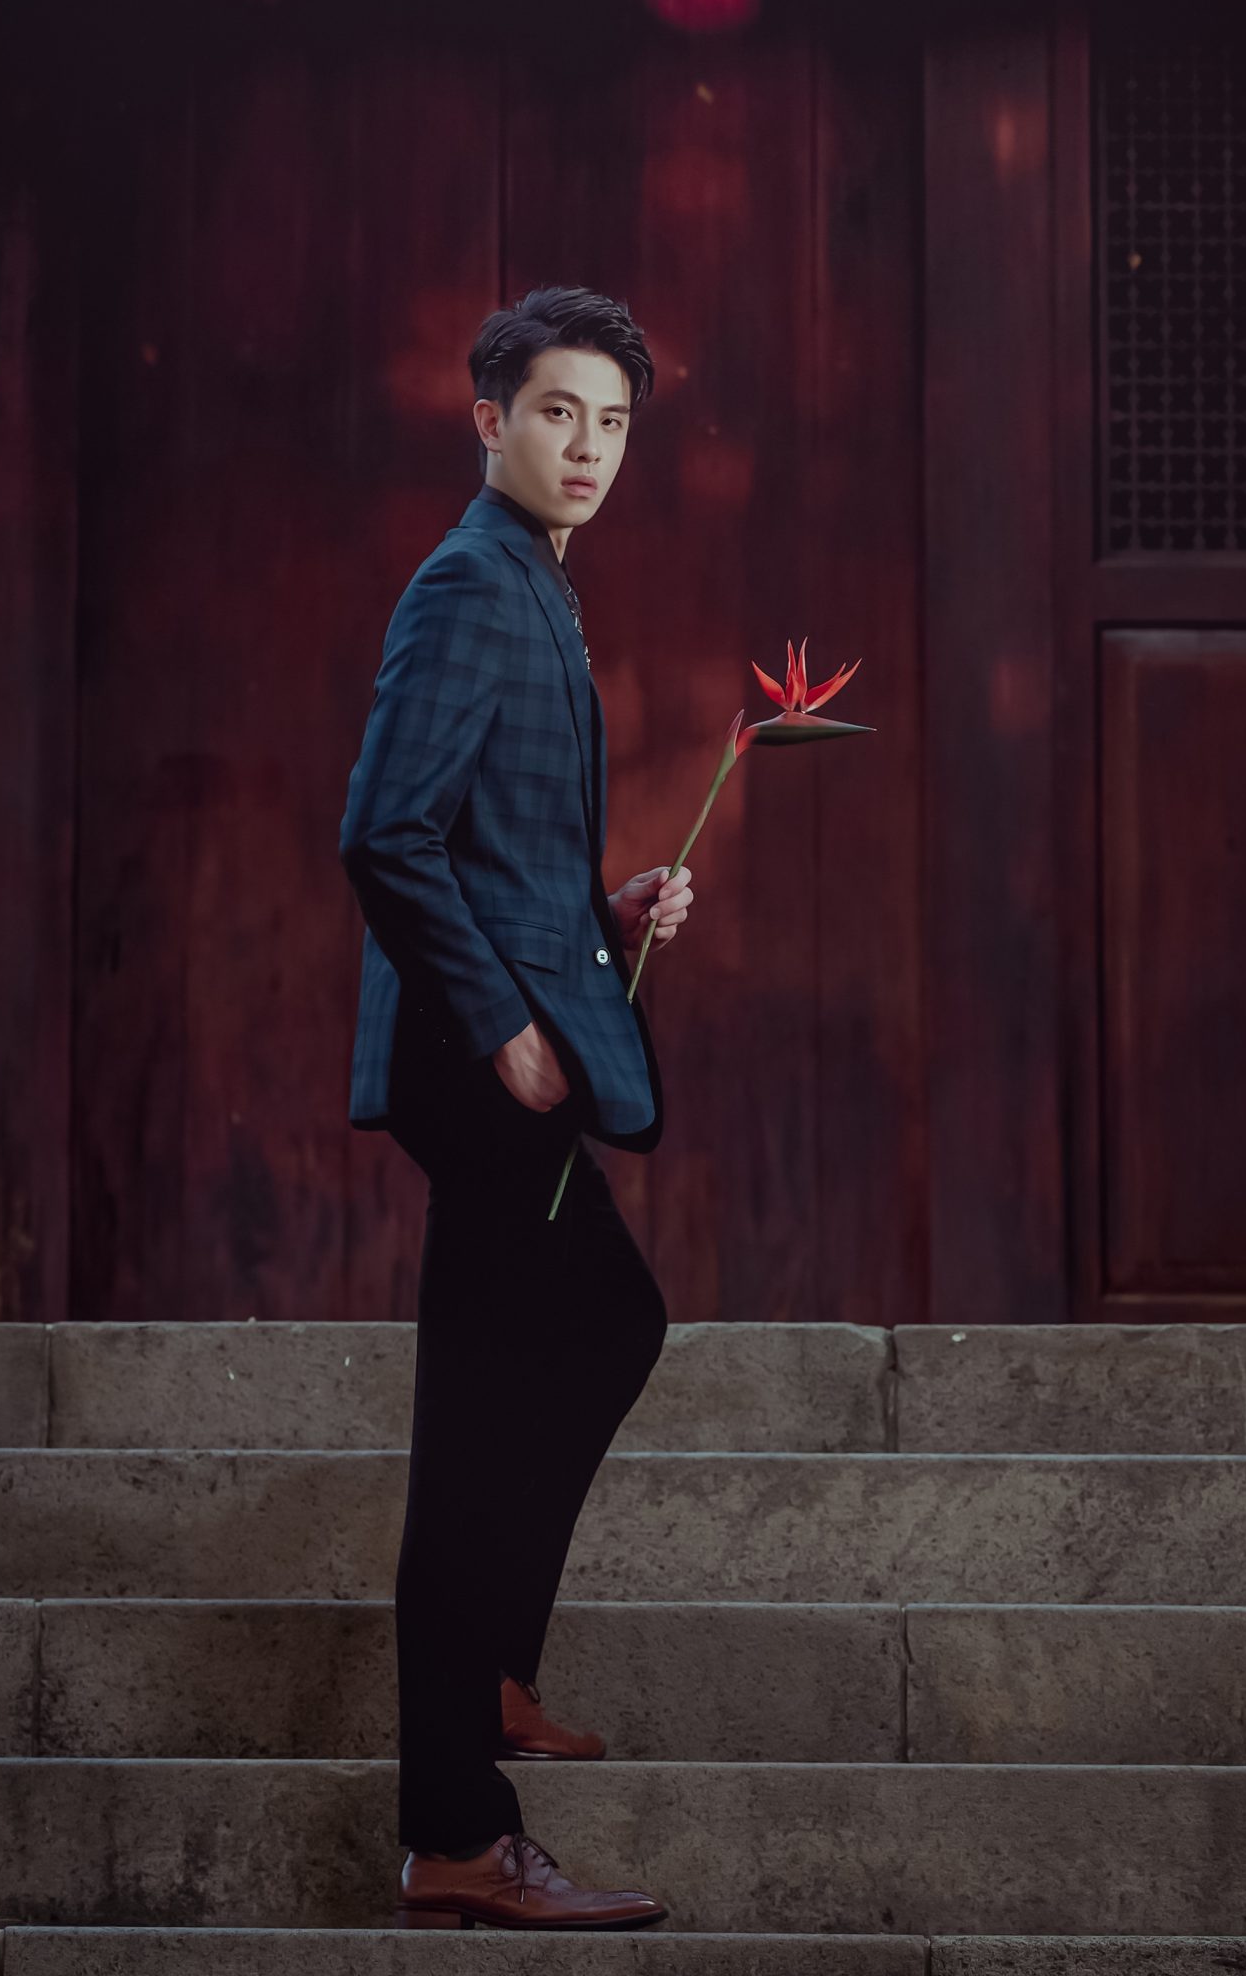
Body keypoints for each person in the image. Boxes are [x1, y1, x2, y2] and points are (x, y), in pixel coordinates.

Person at [339, 285, 695, 1932]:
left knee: (601, 1330)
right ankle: (457, 1831)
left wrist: (600, 912)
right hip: (484, 1069)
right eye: (559, 413)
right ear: (490, 421)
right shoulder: (473, 582)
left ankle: (487, 1673)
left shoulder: (534, 581)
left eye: (612, 422)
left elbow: (489, 846)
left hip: (518, 1036)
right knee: (500, 1412)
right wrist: (502, 1029)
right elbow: (384, 834)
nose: (589, 448)